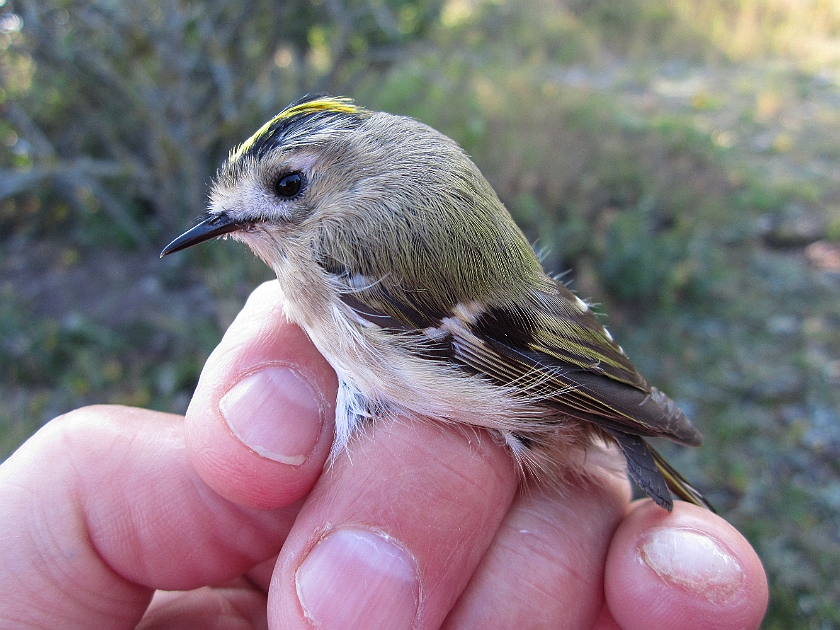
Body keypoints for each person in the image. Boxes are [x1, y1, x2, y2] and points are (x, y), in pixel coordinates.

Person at [0, 281, 768, 629]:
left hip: (543, 398)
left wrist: (615, 405)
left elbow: (507, 346)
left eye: (288, 186)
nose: (243, 221)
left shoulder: (355, 252)